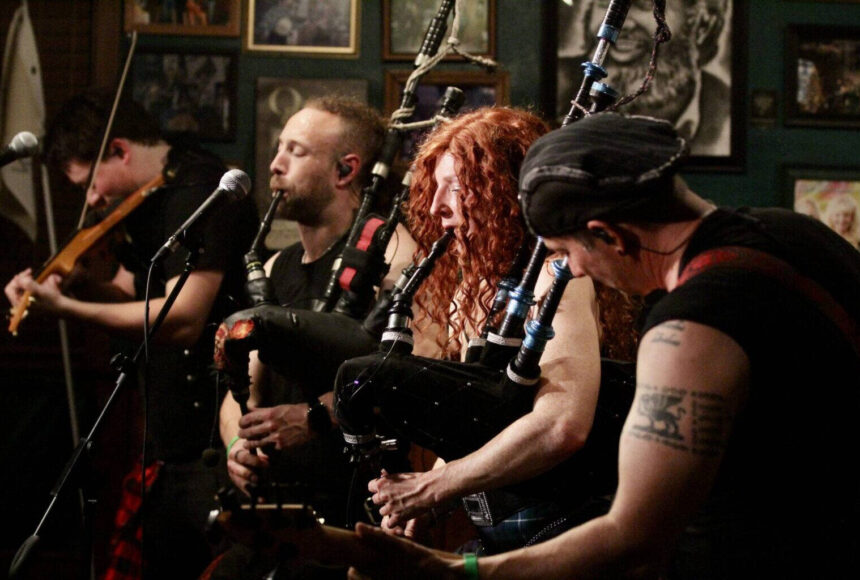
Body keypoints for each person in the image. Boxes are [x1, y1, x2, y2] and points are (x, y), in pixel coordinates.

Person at [345, 112, 860, 579]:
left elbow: (631, 535)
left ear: (610, 235)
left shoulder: (687, 329)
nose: (577, 270)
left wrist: (460, 572)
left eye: (570, 252)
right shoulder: (800, 234)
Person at [3, 89, 259, 578]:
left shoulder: (202, 191)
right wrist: (82, 285)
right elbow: (131, 294)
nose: (93, 201)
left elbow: (182, 317)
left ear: (119, 150)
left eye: (89, 185)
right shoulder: (148, 201)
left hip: (212, 429)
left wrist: (68, 308)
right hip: (167, 434)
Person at [336, 107, 608, 556]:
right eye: (435, 188)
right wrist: (430, 501)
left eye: (457, 189)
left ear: (504, 195)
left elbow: (562, 425)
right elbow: (477, 425)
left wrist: (435, 486)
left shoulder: (556, 279)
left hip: (565, 539)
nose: (438, 206)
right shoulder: (470, 296)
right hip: (502, 542)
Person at [208, 96, 416, 579]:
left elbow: (409, 373)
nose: (275, 164)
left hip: (354, 517)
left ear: (346, 170)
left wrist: (314, 416)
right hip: (280, 515)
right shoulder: (278, 267)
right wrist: (238, 443)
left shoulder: (394, 254)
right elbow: (244, 383)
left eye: (296, 152)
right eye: (279, 147)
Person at [557, 0, 730, 155]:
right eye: (603, 3)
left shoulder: (726, 112)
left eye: (645, 5)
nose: (625, 26)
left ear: (703, 26)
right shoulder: (562, 88)